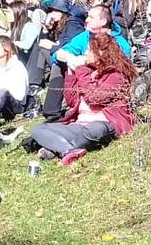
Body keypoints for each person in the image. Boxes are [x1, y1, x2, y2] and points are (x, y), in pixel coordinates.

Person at [26, 34, 136, 167]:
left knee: (95, 129)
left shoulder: (116, 75)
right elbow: (72, 100)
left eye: (89, 50)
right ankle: (69, 150)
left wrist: (80, 69)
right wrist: (71, 72)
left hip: (105, 123)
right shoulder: (88, 71)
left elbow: (94, 98)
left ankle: (57, 147)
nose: (85, 53)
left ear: (100, 52)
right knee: (38, 129)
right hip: (79, 125)